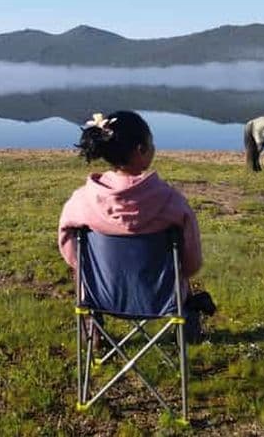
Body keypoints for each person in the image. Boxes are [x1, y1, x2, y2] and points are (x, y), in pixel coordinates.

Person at [58, 110, 213, 343]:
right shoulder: (172, 202)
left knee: (84, 274)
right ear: (141, 150)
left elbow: (71, 252)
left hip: (100, 294)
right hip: (163, 298)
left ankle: (92, 325)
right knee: (180, 274)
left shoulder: (81, 201)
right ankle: (188, 325)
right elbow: (191, 264)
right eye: (152, 143)